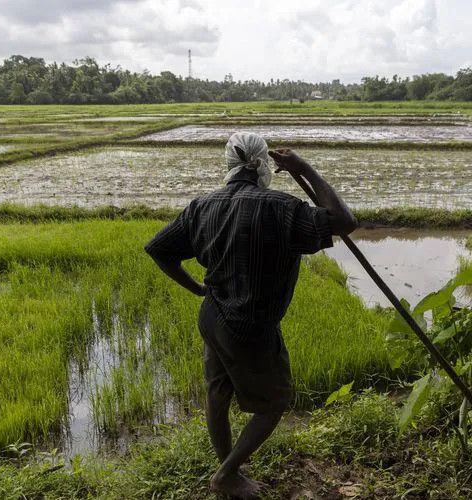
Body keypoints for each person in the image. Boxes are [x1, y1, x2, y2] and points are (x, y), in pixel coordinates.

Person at [144, 132, 357, 498]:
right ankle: (227, 475)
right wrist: (303, 168)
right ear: (262, 165)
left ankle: (230, 467)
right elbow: (344, 221)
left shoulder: (202, 206)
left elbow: (159, 249)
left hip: (212, 316)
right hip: (251, 325)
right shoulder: (282, 208)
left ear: (229, 165)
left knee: (217, 392)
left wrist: (197, 288)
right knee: (274, 403)